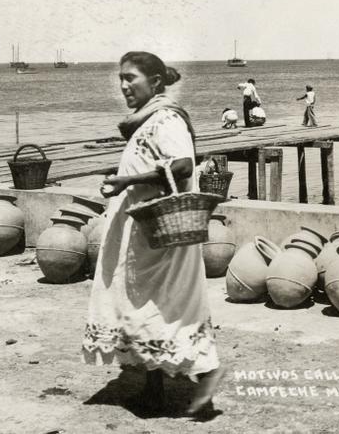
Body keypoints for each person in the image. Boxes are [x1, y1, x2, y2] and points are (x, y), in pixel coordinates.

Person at [82, 51, 224, 417]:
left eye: (131, 78)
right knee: (140, 304)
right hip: (141, 233)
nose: (124, 86)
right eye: (121, 79)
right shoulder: (147, 121)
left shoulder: (166, 119)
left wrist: (127, 180)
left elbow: (183, 164)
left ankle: (203, 380)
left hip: (158, 234)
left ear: (156, 82)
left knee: (167, 304)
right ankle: (155, 388)